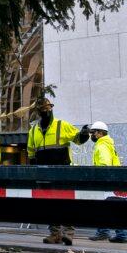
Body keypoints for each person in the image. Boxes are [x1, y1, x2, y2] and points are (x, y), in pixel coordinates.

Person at [27, 98, 90, 245]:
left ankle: (68, 233)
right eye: (44, 108)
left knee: (65, 202)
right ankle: (54, 234)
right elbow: (31, 152)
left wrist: (84, 134)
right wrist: (34, 170)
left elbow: (78, 139)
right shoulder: (34, 131)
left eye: (49, 107)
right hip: (44, 174)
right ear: (39, 111)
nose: (48, 110)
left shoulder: (62, 125)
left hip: (63, 172)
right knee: (50, 205)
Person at [86, 122, 127, 243]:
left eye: (93, 133)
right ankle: (115, 233)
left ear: (100, 133)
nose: (91, 136)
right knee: (112, 207)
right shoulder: (107, 143)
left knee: (107, 207)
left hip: (107, 180)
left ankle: (114, 234)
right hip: (114, 179)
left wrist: (98, 180)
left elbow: (104, 165)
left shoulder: (102, 145)